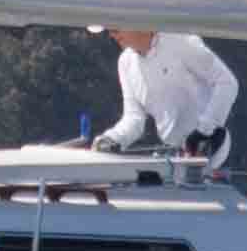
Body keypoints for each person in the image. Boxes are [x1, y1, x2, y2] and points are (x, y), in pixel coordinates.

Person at [92, 27, 238, 164]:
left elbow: (227, 82)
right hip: (176, 160)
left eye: (115, 28)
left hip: (212, 150)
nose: (111, 34)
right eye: (109, 29)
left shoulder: (180, 42)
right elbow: (134, 119)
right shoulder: (125, 62)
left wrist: (204, 131)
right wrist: (111, 138)